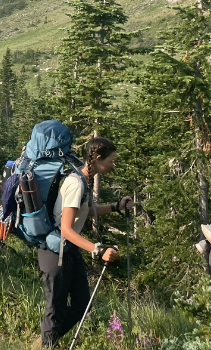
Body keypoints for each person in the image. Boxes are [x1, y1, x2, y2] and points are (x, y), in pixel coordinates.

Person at [39, 136, 132, 348]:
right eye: (111, 160)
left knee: (82, 304)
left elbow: (86, 210)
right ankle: (47, 345)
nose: (112, 165)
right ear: (98, 158)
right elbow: (66, 228)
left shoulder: (84, 181)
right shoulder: (75, 183)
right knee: (55, 308)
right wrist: (97, 250)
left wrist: (115, 206)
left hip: (68, 250)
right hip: (56, 252)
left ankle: (47, 344)